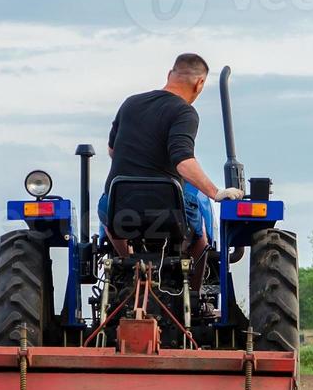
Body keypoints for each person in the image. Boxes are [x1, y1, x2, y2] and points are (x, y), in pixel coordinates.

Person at [101, 53, 243, 279]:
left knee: (106, 213)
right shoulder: (184, 112)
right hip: (166, 206)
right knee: (200, 238)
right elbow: (183, 161)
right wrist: (216, 192)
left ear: (169, 75)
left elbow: (112, 150)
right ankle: (194, 301)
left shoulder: (130, 103)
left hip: (122, 201)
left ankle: (129, 266)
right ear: (200, 83)